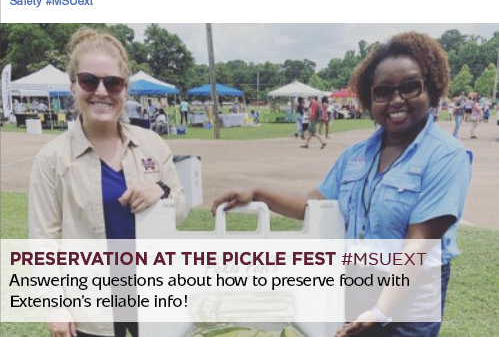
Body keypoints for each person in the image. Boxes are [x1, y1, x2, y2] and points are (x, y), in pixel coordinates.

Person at [212, 32, 472, 337]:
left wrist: (381, 310)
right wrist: (258, 193)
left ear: (430, 89)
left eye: (410, 87)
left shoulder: (445, 156)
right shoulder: (357, 155)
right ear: (369, 97)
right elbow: (315, 206)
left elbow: (417, 246)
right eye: (383, 91)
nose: (396, 100)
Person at [29, 28, 189, 337]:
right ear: (73, 87)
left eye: (113, 83)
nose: (102, 92)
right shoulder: (51, 158)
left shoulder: (152, 144)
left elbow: (180, 207)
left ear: (125, 90)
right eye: (89, 80)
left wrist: (162, 191)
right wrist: (55, 305)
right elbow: (44, 242)